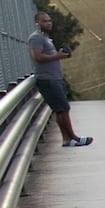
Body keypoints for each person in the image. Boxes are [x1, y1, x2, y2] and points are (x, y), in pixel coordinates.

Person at [29, 12, 92, 147]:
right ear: (37, 23)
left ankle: (67, 139)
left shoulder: (46, 38)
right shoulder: (36, 38)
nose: (49, 23)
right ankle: (73, 137)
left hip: (54, 78)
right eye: (45, 21)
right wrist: (58, 56)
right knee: (63, 108)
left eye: (49, 20)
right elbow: (38, 57)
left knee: (61, 109)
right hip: (47, 79)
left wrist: (59, 55)